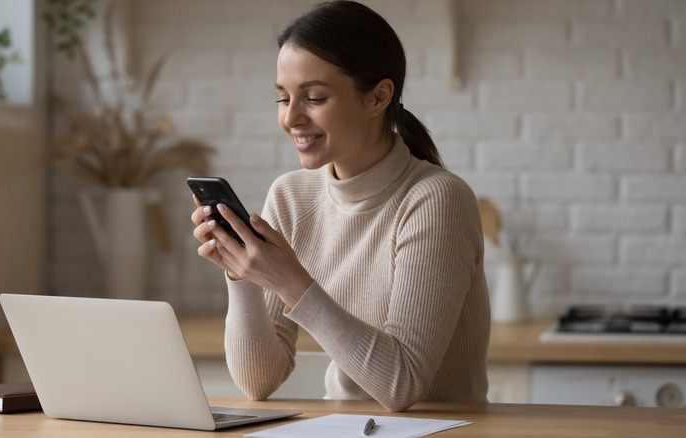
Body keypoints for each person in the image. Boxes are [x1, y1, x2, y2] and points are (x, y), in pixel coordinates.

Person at [190, 0, 489, 412]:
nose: (291, 118)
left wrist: (291, 282)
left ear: (378, 97)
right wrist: (240, 274)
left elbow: (402, 385)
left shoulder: (436, 199)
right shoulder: (291, 196)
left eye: (313, 97)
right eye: (283, 99)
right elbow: (259, 382)